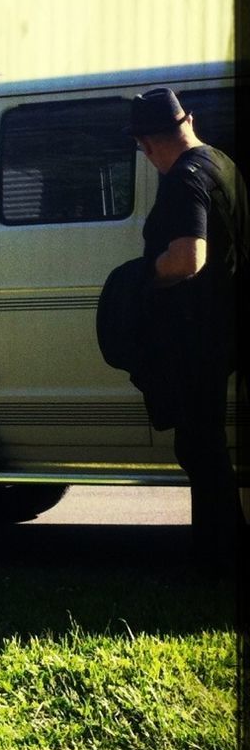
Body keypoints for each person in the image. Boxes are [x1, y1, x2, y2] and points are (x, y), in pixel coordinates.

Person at [126, 86, 247, 567]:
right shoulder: (222, 162)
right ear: (188, 119)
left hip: (200, 332)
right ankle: (225, 544)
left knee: (200, 445)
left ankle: (217, 556)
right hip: (225, 324)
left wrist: (145, 275)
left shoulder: (183, 178)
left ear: (148, 144)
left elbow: (187, 259)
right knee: (206, 443)